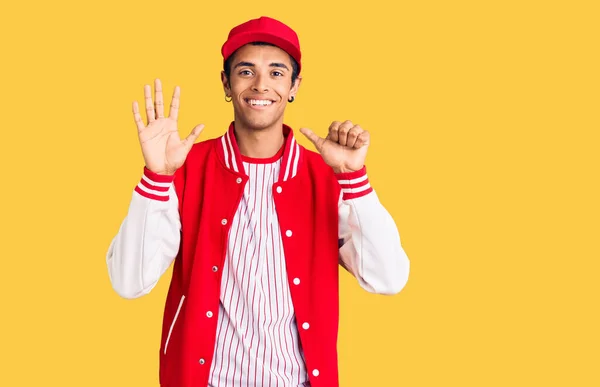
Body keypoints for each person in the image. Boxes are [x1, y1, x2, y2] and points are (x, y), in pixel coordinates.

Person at [106, 15, 410, 387]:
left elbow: (389, 278)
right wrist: (157, 176)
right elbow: (127, 281)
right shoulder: (185, 168)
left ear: (295, 85)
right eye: (246, 71)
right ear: (226, 84)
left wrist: (353, 178)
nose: (261, 85)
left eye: (277, 73)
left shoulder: (325, 177)